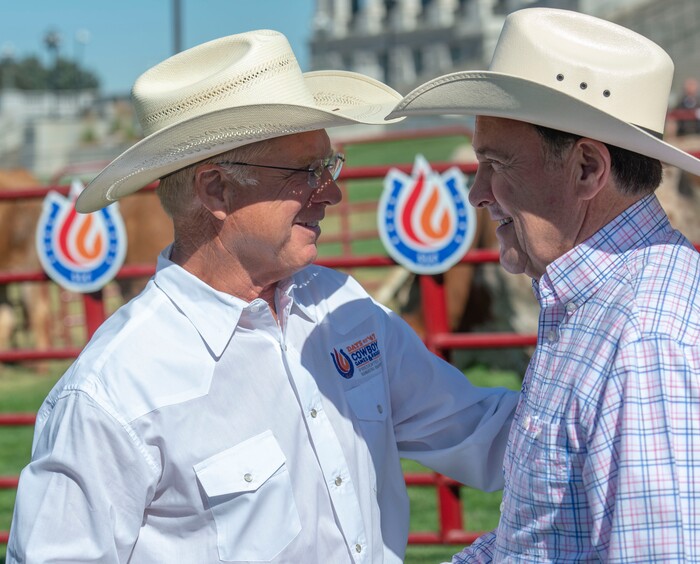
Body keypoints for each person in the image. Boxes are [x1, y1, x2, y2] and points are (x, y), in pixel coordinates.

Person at [7, 30, 518, 563]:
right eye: (308, 172)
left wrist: (599, 396)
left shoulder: (342, 308)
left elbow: (480, 431)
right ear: (216, 191)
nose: (333, 192)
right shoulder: (114, 393)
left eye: (331, 166)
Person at [389, 7, 700, 563]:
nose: (476, 193)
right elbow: (535, 541)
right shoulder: (595, 308)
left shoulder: (645, 345)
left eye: (496, 163)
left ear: (586, 169)